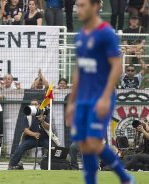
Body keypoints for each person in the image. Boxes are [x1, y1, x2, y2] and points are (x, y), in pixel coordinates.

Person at [65, 0, 133, 184]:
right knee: (84, 144)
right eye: (77, 5)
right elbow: (79, 69)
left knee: (94, 142)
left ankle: (125, 178)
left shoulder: (106, 33)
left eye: (83, 5)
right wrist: (71, 102)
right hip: (83, 100)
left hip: (101, 97)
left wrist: (105, 97)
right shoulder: (80, 36)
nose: (78, 9)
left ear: (96, 6)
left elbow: (117, 66)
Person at [8, 99, 51, 170]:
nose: (34, 105)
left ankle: (53, 163)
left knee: (53, 148)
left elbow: (49, 127)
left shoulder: (44, 114)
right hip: (32, 139)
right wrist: (34, 134)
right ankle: (12, 165)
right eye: (32, 104)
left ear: (39, 105)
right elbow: (25, 130)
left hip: (44, 139)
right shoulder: (27, 115)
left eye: (36, 104)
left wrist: (42, 121)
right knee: (21, 147)